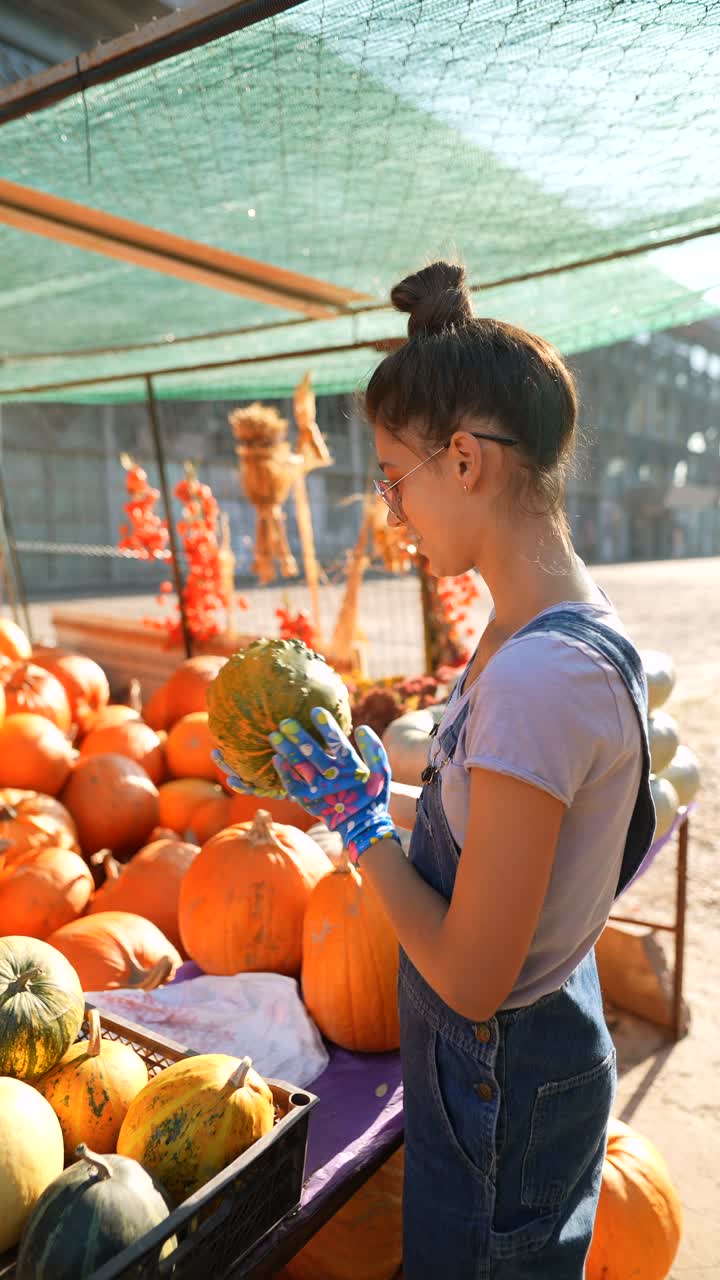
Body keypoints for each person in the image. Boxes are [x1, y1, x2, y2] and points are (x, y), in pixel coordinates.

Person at [215, 261, 655, 1279]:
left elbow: (468, 974)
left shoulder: (539, 677)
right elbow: (505, 834)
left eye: (391, 477)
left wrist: (366, 830)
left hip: (503, 1077)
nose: (391, 511)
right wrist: (383, 795)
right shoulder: (546, 627)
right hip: (534, 1056)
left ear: (465, 460)